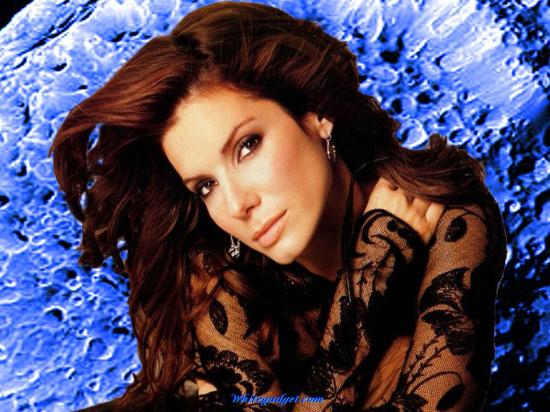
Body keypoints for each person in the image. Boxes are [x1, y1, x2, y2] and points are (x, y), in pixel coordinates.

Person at [49, 2, 507, 411]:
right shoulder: (215, 272)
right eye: (206, 186)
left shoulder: (448, 216)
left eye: (247, 146)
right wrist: (367, 282)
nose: (236, 204)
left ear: (316, 113)